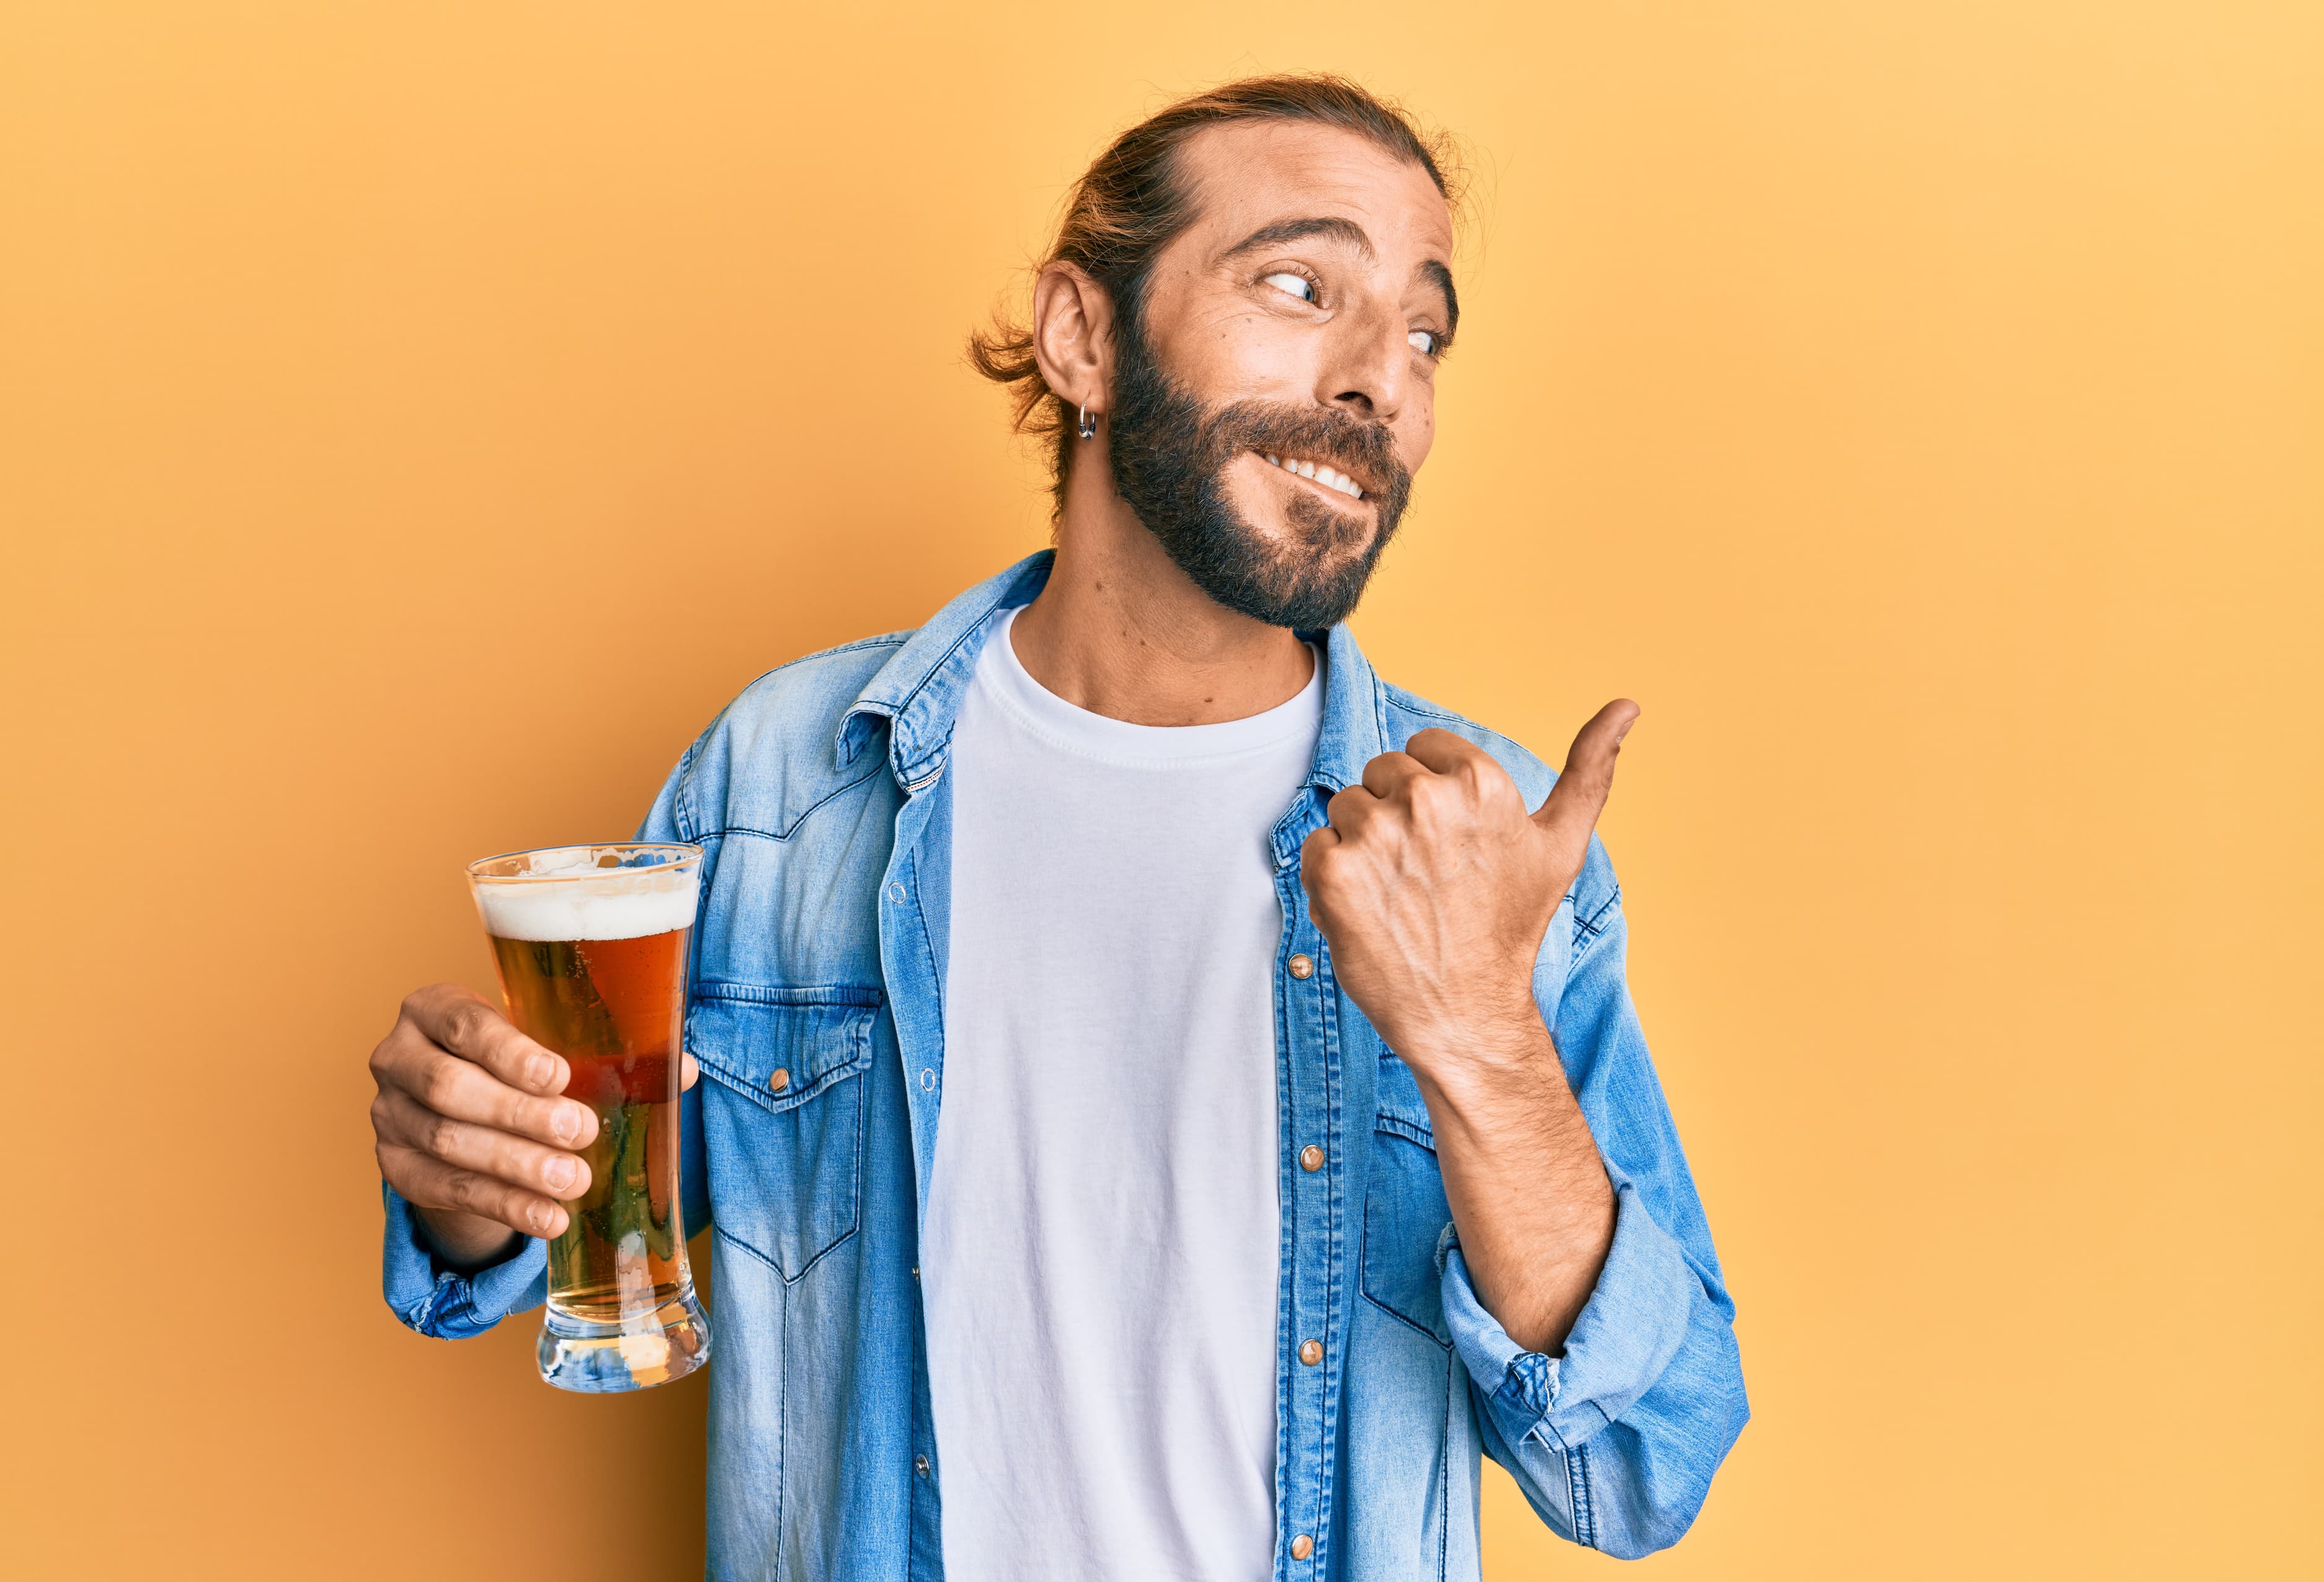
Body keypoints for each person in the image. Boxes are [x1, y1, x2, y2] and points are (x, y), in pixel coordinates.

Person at [368, 74, 1747, 1581]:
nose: (1382, 381)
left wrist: (1480, 1027)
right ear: (1084, 336)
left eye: (1424, 331)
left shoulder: (1478, 843)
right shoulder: (783, 781)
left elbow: (1639, 1467)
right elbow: (605, 1227)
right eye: (1301, 284)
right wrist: (471, 1188)